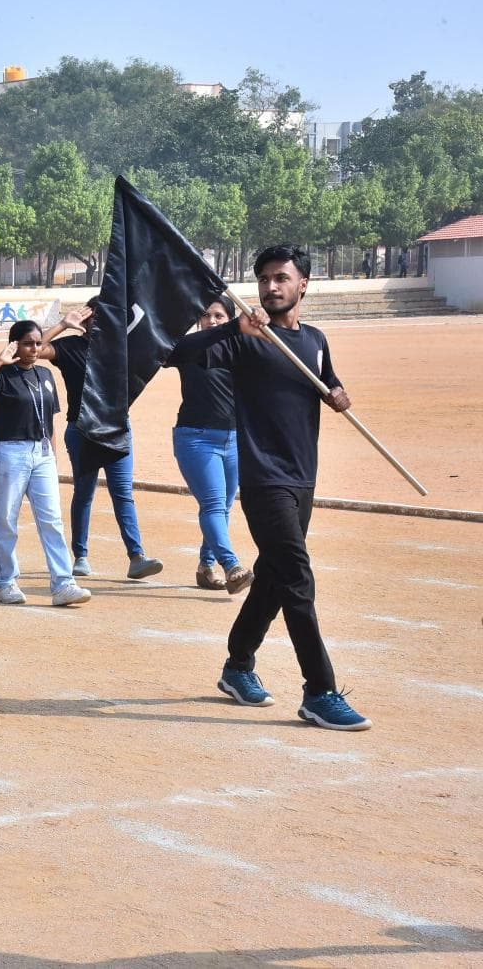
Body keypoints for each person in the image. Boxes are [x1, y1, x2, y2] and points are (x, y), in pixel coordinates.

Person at [170, 245, 371, 731]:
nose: (270, 286)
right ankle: (320, 691)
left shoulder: (315, 339)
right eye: (264, 279)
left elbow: (325, 378)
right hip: (264, 479)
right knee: (298, 577)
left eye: (281, 278)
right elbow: (174, 355)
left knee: (277, 578)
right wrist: (229, 328)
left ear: (303, 284)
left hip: (303, 476)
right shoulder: (246, 339)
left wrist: (338, 392)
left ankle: (238, 666)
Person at [0, 322, 91, 607]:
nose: (34, 349)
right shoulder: (3, 375)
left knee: (52, 520)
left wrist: (53, 457)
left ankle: (63, 583)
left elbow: (50, 421)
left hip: (42, 453)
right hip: (10, 451)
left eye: (37, 343)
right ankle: (5, 583)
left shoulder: (45, 375)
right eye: (27, 343)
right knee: (7, 519)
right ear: (14, 345)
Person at [40, 303, 164, 581]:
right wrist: (63, 324)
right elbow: (32, 349)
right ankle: (80, 556)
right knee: (84, 494)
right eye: (90, 316)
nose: (96, 322)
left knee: (123, 494)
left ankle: (136, 557)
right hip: (81, 429)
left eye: (103, 316)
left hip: (117, 427)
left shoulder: (122, 346)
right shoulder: (69, 346)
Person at [166, 298, 249, 593]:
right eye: (206, 315)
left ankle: (206, 566)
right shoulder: (188, 347)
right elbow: (164, 355)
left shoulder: (241, 348)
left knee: (224, 507)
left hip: (234, 438)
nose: (211, 320)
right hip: (196, 437)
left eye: (219, 315)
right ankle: (232, 566)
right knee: (213, 504)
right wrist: (230, 328)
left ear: (230, 317)